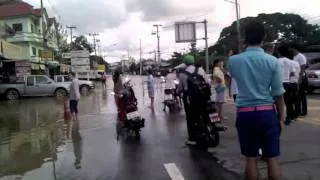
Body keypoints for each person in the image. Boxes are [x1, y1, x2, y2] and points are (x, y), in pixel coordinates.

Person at [228, 21, 285, 180]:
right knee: (272, 157)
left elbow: (233, 77)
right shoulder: (272, 61)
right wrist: (281, 118)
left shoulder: (234, 61)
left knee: (251, 158)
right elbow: (278, 93)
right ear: (264, 37)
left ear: (245, 38)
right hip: (267, 112)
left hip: (245, 114)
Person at [176, 55, 208, 146]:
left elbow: (180, 88)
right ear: (193, 62)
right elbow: (208, 82)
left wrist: (177, 92)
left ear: (185, 63)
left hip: (191, 99)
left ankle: (192, 139)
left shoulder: (183, 74)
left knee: (190, 117)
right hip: (204, 97)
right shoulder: (200, 70)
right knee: (205, 112)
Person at [277, 44, 297, 125]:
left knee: (279, 102)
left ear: (279, 52)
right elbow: (292, 73)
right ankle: (289, 118)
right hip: (287, 83)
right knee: (288, 102)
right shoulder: (290, 62)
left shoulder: (276, 61)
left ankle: (280, 117)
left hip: (279, 83)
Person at [292, 47, 308, 116]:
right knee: (296, 96)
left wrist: (300, 79)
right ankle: (297, 111)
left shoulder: (301, 57)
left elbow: (303, 68)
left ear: (295, 49)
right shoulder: (293, 56)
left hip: (302, 78)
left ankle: (304, 111)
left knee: (302, 96)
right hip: (295, 78)